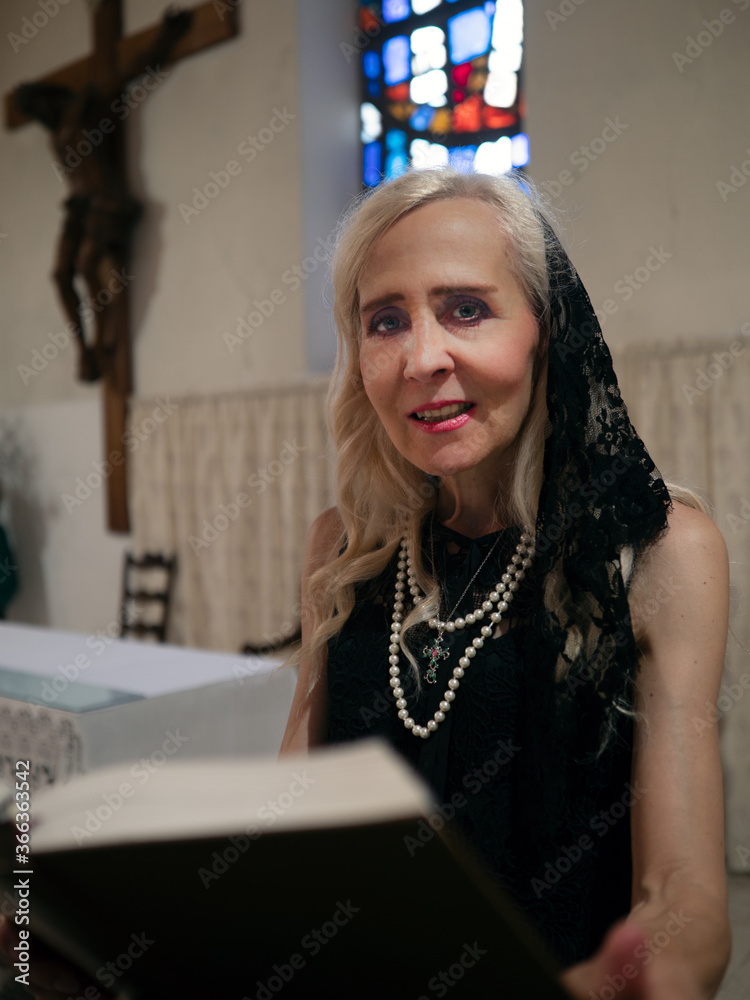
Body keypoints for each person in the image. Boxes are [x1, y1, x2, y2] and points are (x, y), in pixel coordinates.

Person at [279, 167, 732, 999]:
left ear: (545, 332)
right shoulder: (342, 552)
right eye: (386, 321)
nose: (422, 358)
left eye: (466, 309)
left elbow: (685, 889)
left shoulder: (662, 556)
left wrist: (655, 965)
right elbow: (289, 829)